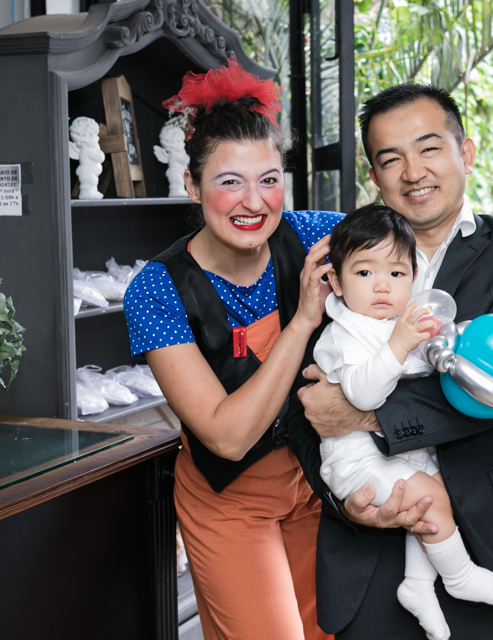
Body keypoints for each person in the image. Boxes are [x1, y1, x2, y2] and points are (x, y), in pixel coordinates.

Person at [293, 83, 493, 640]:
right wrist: (345, 498)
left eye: (428, 148)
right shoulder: (344, 257)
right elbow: (307, 401)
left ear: (465, 153)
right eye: (390, 159)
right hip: (370, 539)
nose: (413, 172)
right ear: (374, 177)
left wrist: (361, 413)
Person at [122, 59, 340, 640]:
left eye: (269, 179)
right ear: (193, 186)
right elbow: (227, 436)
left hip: (317, 483)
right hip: (230, 501)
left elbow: (409, 242)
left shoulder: (314, 234)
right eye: (229, 182)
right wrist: (302, 321)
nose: (254, 202)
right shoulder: (157, 289)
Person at [313, 204, 493, 640]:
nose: (382, 286)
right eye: (364, 273)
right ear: (336, 281)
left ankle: (418, 584)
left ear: (414, 277)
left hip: (402, 454)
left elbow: (431, 362)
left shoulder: (395, 321)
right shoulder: (344, 333)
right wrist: (400, 343)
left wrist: (450, 335)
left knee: (432, 498)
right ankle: (459, 576)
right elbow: (362, 395)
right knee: (428, 496)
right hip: (357, 462)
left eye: (396, 273)